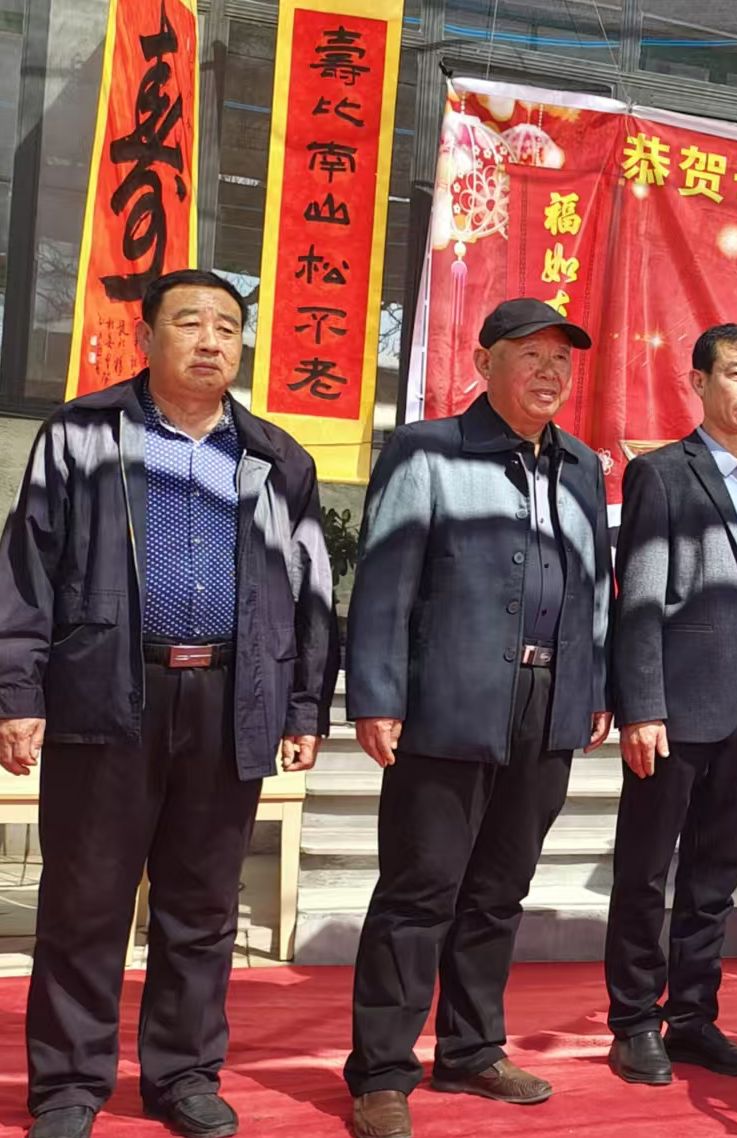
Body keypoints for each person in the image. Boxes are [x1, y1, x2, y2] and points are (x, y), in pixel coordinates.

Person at [0, 269, 337, 1138]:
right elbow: (27, 569)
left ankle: (183, 1074)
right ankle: (68, 1085)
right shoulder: (81, 435)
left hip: (231, 696)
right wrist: (17, 691)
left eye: (227, 325)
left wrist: (304, 706)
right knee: (84, 902)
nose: (211, 340)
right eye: (190, 323)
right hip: (106, 691)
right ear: (146, 337)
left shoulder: (277, 459)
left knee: (203, 905)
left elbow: (312, 594)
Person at [343, 299, 614, 1138]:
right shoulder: (429, 450)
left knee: (500, 889)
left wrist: (594, 686)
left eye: (561, 359)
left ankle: (471, 1048)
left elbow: (593, 588)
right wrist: (376, 694)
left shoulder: (580, 463)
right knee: (419, 890)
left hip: (548, 700)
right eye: (530, 354)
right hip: (449, 701)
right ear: (482, 361)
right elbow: (384, 579)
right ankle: (382, 1073)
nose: (549, 372)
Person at [604, 324, 737, 1085]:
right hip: (675, 709)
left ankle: (692, 1017)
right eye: (736, 374)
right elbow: (640, 598)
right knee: (645, 872)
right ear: (700, 383)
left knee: (716, 876)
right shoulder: (662, 474)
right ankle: (632, 1021)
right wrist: (641, 707)